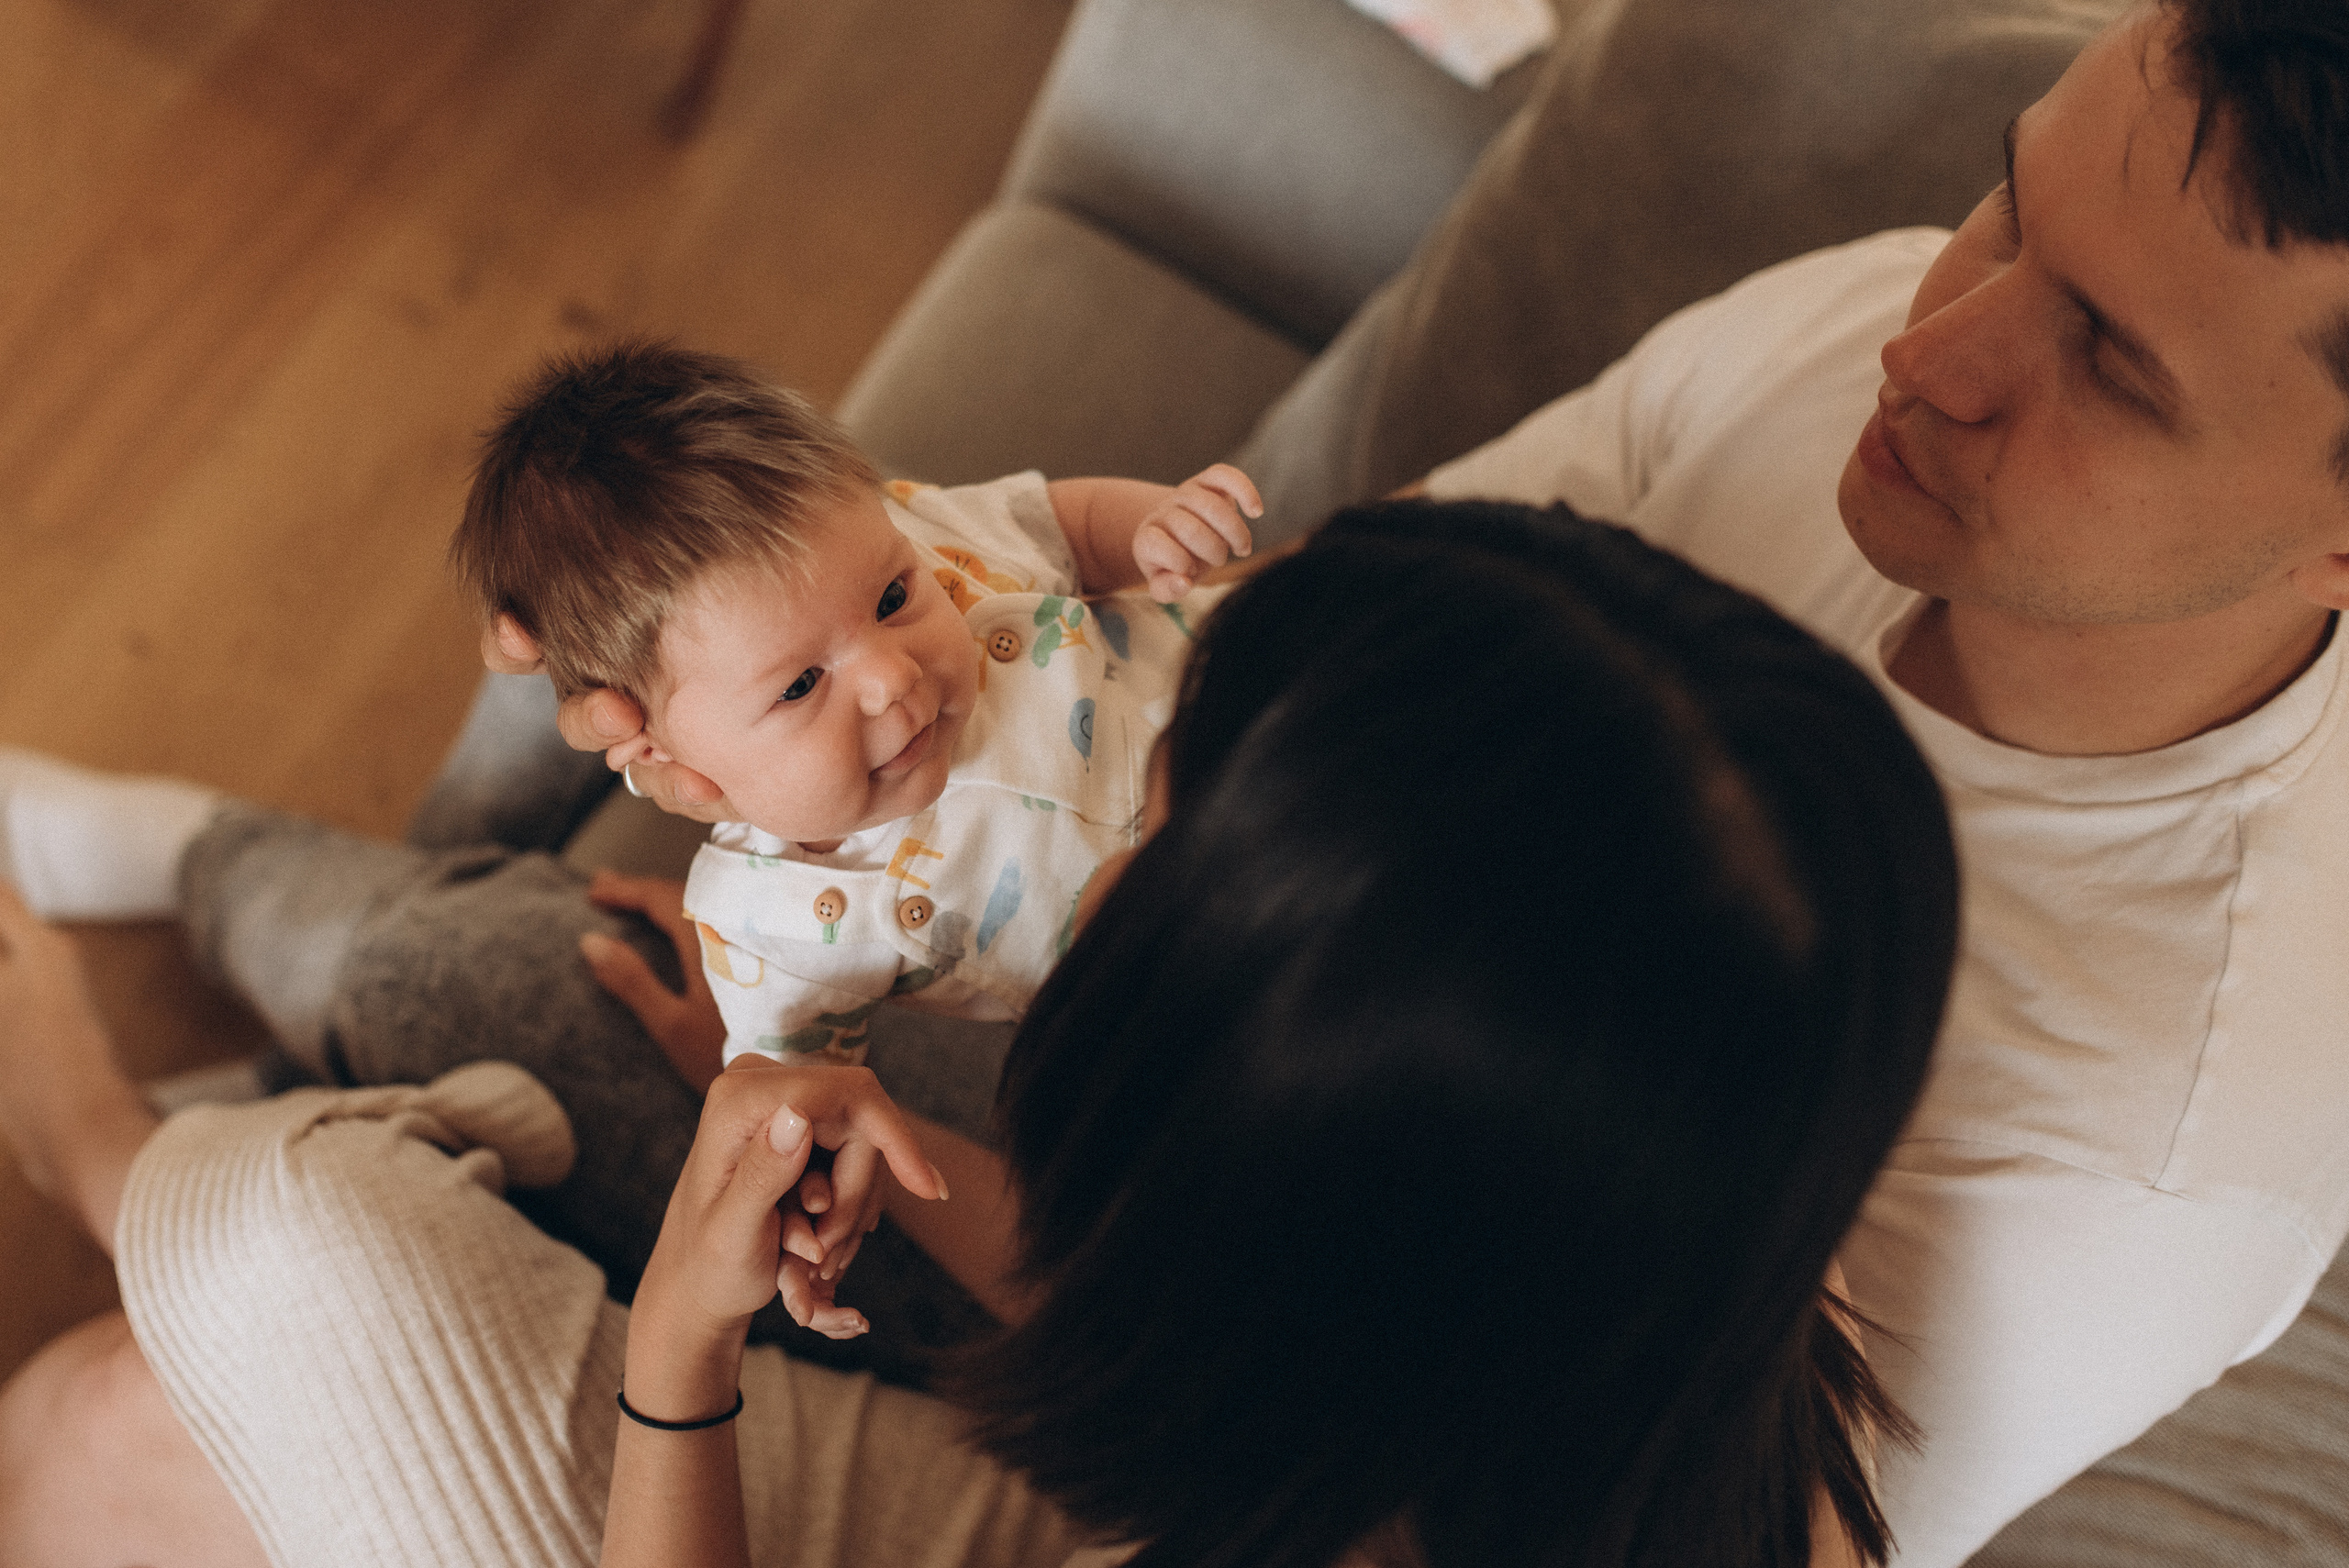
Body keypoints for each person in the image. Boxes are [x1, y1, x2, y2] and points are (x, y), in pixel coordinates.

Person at [0, 501, 1959, 1567]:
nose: (1089, 823)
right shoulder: (1674, 1229)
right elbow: (1230, 1353)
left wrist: (684, 1351)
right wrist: (804, 1106)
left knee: (156, 1359)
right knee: (154, 1375)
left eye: (1159, 811)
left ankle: (102, 1144)